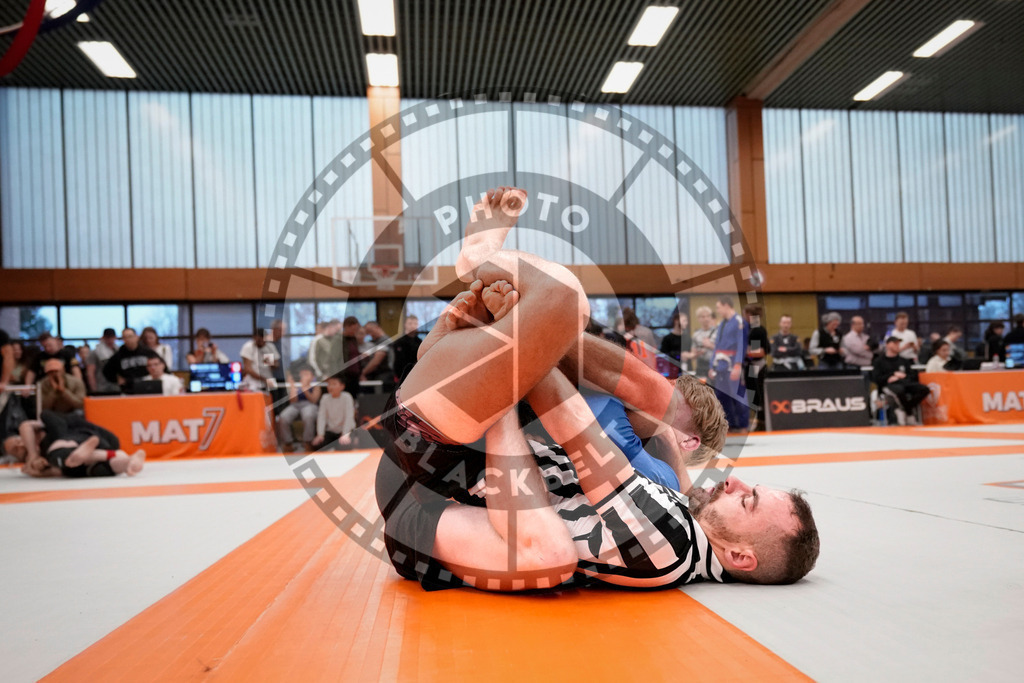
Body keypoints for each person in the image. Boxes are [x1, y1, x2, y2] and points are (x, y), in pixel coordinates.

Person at [375, 187, 817, 592]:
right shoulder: (681, 521)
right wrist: (523, 342)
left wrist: (520, 343)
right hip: (445, 473)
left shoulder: (672, 533)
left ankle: (478, 259)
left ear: (740, 555)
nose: (735, 481)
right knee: (569, 324)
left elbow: (570, 424)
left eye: (748, 501)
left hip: (424, 481)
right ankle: (467, 339)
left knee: (565, 301)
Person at [16, 410, 146, 478]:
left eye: (17, 443)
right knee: (99, 469)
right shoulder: (44, 456)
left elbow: (25, 426)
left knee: (59, 455)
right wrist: (37, 471)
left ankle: (86, 450)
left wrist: (32, 455)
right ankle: (127, 460)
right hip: (95, 450)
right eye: (17, 451)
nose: (19, 446)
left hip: (78, 440)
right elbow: (58, 472)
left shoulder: (52, 431)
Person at [709, 296, 748, 433]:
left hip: (732, 364)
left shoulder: (738, 321)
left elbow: (741, 345)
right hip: (720, 365)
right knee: (722, 396)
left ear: (727, 305)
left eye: (719, 307)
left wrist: (738, 364)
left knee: (738, 395)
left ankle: (743, 425)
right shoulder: (722, 324)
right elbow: (716, 346)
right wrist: (711, 365)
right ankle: (730, 425)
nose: (718, 310)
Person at [872, 336, 930, 426]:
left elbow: (912, 375)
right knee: (899, 390)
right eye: (894, 343)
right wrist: (891, 376)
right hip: (889, 385)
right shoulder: (879, 361)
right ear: (887, 345)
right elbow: (876, 378)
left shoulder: (903, 360)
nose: (897, 345)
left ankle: (905, 409)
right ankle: (909, 413)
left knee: (924, 389)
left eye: (898, 344)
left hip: (905, 383)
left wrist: (903, 376)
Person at [278, 365, 321, 451]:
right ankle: (288, 443)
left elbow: (314, 400)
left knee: (308, 416)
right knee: (283, 417)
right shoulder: (296, 384)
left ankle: (308, 442)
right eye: (302, 374)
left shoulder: (316, 385)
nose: (303, 376)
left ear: (312, 376)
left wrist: (305, 388)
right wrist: (293, 387)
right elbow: (292, 400)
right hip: (295, 405)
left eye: (306, 374)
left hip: (310, 405)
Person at [312, 374, 355, 450]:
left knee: (345, 445)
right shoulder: (325, 398)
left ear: (342, 386)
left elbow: (349, 416)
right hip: (331, 431)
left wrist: (345, 434)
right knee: (318, 445)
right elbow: (321, 417)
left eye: (334, 384)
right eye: (329, 384)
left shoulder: (347, 397)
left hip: (345, 430)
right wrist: (320, 434)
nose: (330, 387)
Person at [743, 304, 768, 430]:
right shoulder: (750, 329)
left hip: (757, 367)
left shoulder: (757, 331)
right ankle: (757, 421)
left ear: (749, 315)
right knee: (752, 395)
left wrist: (744, 353)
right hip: (750, 366)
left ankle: (762, 423)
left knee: (758, 395)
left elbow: (761, 351)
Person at [360, 321, 394, 388]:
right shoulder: (373, 342)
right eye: (368, 332)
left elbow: (376, 361)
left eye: (371, 331)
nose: (370, 334)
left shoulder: (384, 340)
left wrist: (363, 373)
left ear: (377, 328)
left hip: (384, 375)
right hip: (374, 375)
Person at [87, 328, 120, 395]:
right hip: (101, 386)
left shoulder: (118, 351)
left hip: (116, 386)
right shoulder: (95, 352)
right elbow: (90, 372)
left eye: (112, 337)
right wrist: (94, 389)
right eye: (108, 338)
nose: (110, 340)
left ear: (115, 337)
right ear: (103, 338)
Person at [659, 310, 691, 377]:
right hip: (671, 371)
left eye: (686, 321)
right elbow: (663, 355)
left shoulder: (688, 338)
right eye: (684, 320)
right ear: (676, 321)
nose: (686, 323)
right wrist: (679, 355)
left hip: (686, 370)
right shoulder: (667, 339)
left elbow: (691, 353)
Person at [391, 315, 422, 383]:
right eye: (410, 323)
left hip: (416, 374)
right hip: (400, 375)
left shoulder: (420, 342)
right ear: (405, 324)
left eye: (415, 324)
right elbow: (398, 361)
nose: (412, 326)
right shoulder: (399, 342)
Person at [690, 306, 717, 379]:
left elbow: (724, 350)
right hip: (701, 366)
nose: (706, 319)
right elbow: (693, 353)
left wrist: (710, 345)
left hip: (715, 366)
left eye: (708, 316)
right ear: (699, 319)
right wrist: (696, 353)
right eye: (703, 317)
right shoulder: (696, 334)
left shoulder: (718, 332)